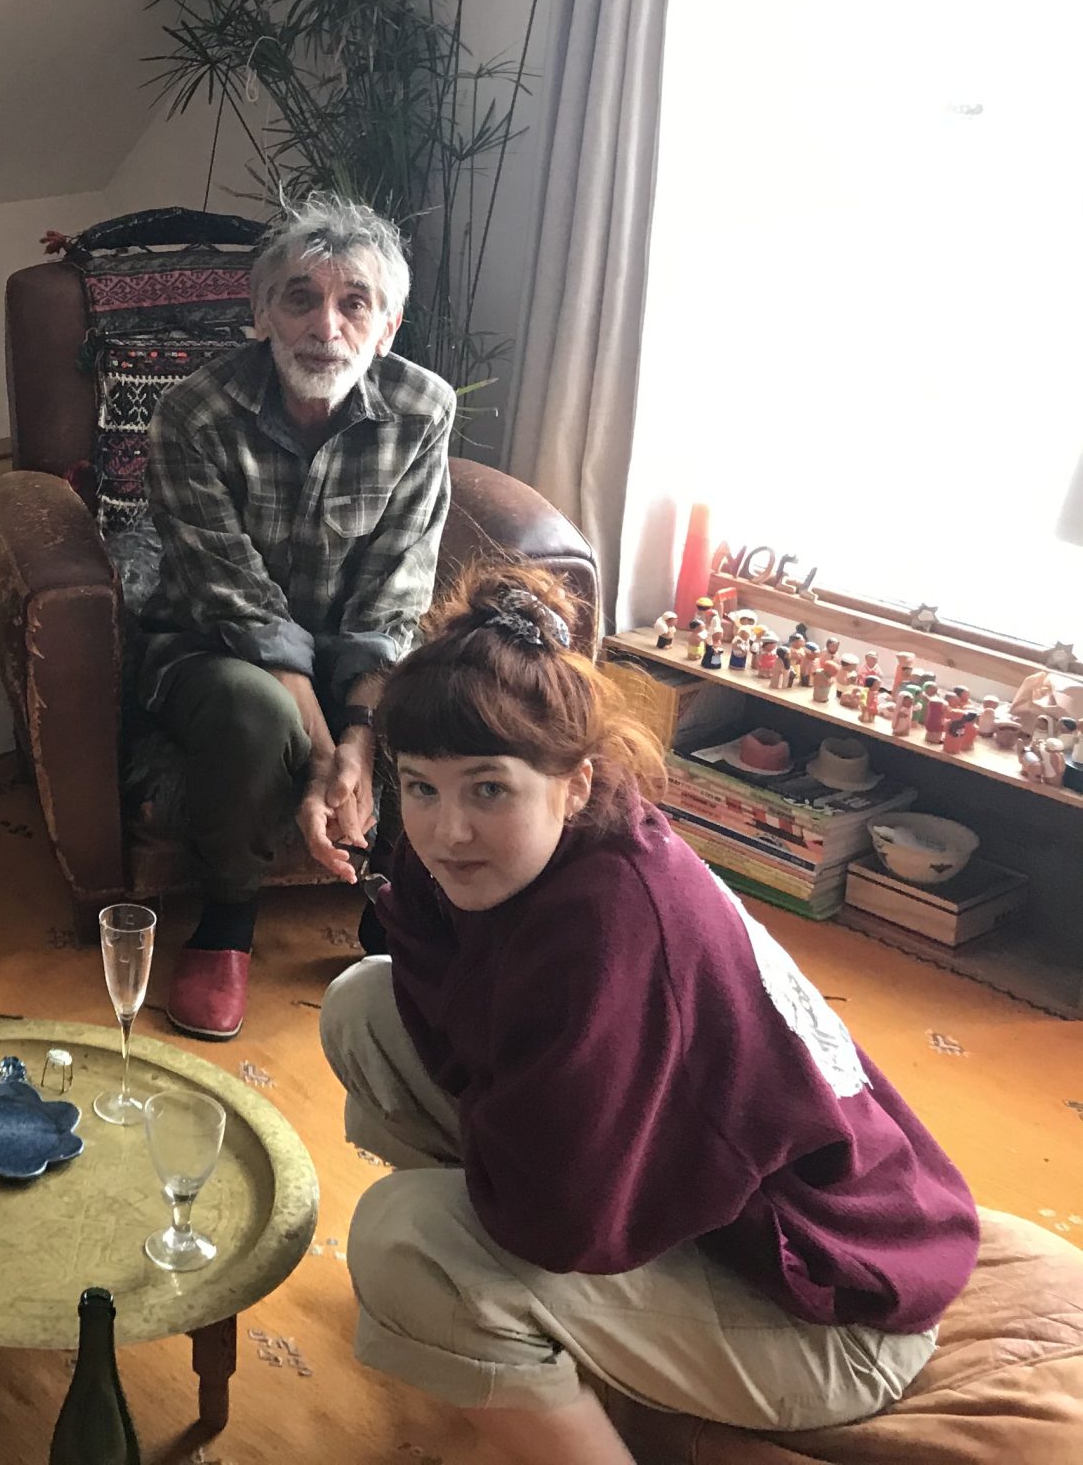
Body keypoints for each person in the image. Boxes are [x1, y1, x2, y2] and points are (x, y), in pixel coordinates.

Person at [322, 565, 977, 1465]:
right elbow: (441, 986)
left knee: (408, 1240)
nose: (446, 832)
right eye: (421, 786)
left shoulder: (609, 927)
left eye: (489, 789)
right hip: (721, 1217)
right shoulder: (529, 851)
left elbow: (561, 1220)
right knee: (365, 1004)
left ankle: (500, 1328)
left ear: (575, 785)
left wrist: (488, 1227)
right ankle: (510, 1332)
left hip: (829, 1311)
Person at [140, 195, 451, 1040]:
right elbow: (235, 600)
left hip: (353, 651)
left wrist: (360, 741)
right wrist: (326, 758)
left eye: (355, 303)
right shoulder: (193, 415)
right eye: (300, 298)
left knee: (445, 690)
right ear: (260, 314)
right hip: (210, 644)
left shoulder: (423, 410)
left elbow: (393, 595)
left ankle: (394, 918)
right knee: (254, 709)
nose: (326, 326)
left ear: (386, 328)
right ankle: (227, 921)